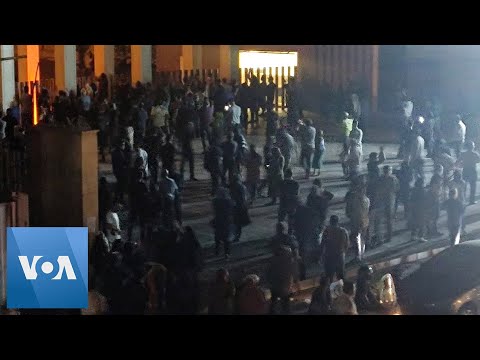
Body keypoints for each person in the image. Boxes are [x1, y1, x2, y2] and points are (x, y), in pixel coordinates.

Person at [267, 244, 300, 315]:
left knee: (274, 302)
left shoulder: (273, 260)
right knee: (286, 304)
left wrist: (270, 283)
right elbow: (295, 274)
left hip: (274, 286)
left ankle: (272, 312)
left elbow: (268, 272)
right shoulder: (290, 261)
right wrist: (298, 287)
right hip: (284, 287)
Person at [319, 215, 350, 283]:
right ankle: (341, 290)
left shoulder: (327, 231)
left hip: (329, 256)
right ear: (337, 222)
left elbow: (322, 244)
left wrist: (321, 255)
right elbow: (347, 244)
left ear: (330, 222)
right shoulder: (343, 231)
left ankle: (329, 291)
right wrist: (343, 252)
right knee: (341, 276)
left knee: (329, 276)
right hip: (340, 255)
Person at [345, 178, 370, 261]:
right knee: (362, 238)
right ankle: (361, 254)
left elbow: (349, 210)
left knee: (357, 238)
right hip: (364, 221)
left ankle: (358, 255)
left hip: (356, 221)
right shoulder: (367, 200)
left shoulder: (354, 200)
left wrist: (349, 214)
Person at [373, 165, 399, 244]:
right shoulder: (393, 179)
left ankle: (386, 236)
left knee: (386, 220)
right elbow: (397, 190)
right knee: (383, 220)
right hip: (387, 201)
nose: (387, 173)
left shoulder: (390, 179)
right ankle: (384, 237)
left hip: (387, 202)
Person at [212, 187, 235, 258]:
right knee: (227, 238)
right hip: (227, 221)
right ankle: (227, 253)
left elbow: (214, 209)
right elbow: (232, 209)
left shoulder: (215, 201)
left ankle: (217, 251)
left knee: (217, 236)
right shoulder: (229, 201)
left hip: (218, 220)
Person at [457, 140, 480, 205]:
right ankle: (471, 200)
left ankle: (463, 200)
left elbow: (458, 161)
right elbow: (478, 161)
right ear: (473, 147)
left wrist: (459, 165)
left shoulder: (463, 154)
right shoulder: (475, 154)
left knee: (464, 186)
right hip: (473, 170)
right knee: (473, 186)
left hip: (465, 170)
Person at [230, 174, 250, 243]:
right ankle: (237, 236)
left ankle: (237, 237)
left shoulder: (235, 187)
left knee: (237, 223)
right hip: (240, 206)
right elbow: (245, 197)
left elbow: (239, 197)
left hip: (237, 207)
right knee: (238, 223)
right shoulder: (241, 186)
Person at [410, 177, 427, 242]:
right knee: (422, 223)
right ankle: (421, 236)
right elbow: (425, 199)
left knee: (414, 222)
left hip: (414, 208)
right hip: (421, 208)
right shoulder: (423, 190)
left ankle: (413, 235)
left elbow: (411, 199)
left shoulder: (414, 189)